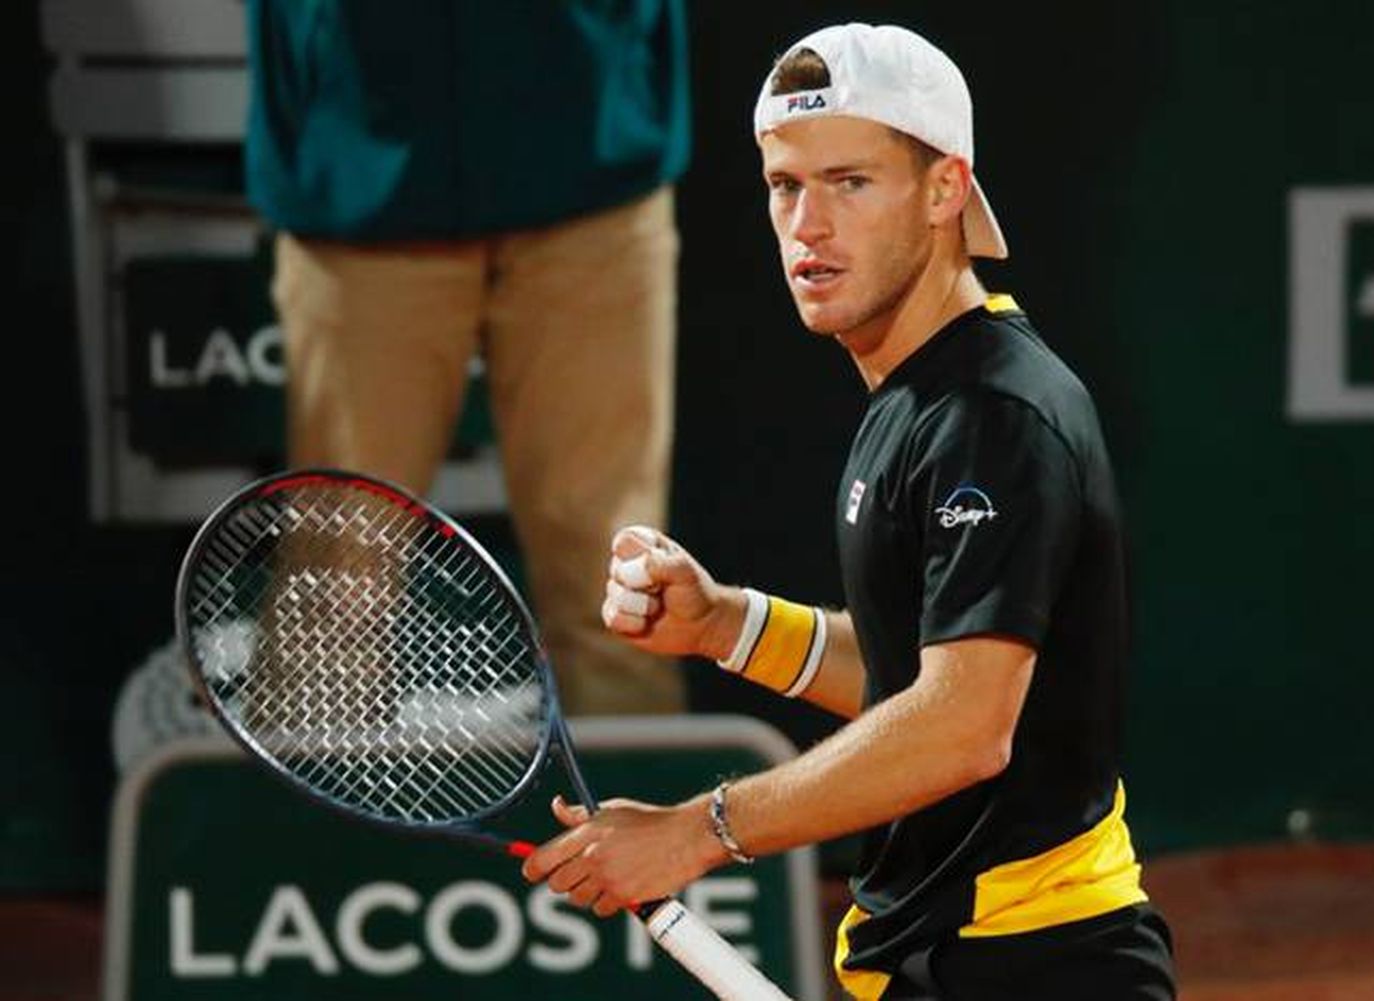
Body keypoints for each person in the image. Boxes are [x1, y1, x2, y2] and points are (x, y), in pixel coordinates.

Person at [521, 22, 1176, 1000]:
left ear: (945, 190)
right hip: (946, 960)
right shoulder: (917, 397)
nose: (808, 224)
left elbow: (961, 724)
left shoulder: (993, 416)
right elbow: (914, 675)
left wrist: (695, 832)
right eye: (786, 185)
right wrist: (725, 623)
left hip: (1035, 965)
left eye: (851, 183)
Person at [242, 0, 691, 715]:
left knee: (616, 590)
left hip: (595, 152)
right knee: (335, 592)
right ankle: (311, 829)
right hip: (356, 159)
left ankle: (638, 824)